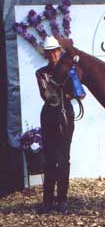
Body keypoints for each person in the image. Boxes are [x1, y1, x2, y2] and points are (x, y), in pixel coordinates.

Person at [36, 36, 74, 214]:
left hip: (65, 114)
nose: (53, 54)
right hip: (50, 115)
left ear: (60, 51)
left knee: (63, 158)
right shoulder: (41, 72)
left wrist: (70, 91)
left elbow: (75, 92)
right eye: (50, 52)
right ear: (46, 54)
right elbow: (47, 96)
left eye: (56, 51)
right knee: (49, 159)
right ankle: (47, 201)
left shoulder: (69, 71)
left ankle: (62, 201)